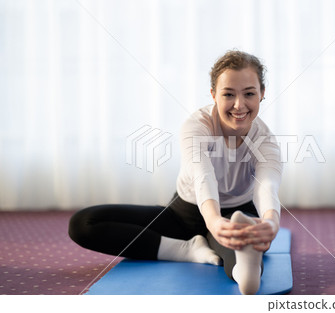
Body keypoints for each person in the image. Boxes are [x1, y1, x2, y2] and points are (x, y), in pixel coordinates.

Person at [68, 50, 283, 295]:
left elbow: (267, 186)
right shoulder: (197, 126)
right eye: (228, 94)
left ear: (262, 94)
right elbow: (203, 176)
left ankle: (243, 265)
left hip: (239, 214)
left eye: (249, 94)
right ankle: (185, 249)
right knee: (83, 224)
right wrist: (213, 222)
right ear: (213, 95)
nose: (239, 104)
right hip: (186, 214)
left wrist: (270, 223)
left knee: (246, 245)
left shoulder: (266, 141)